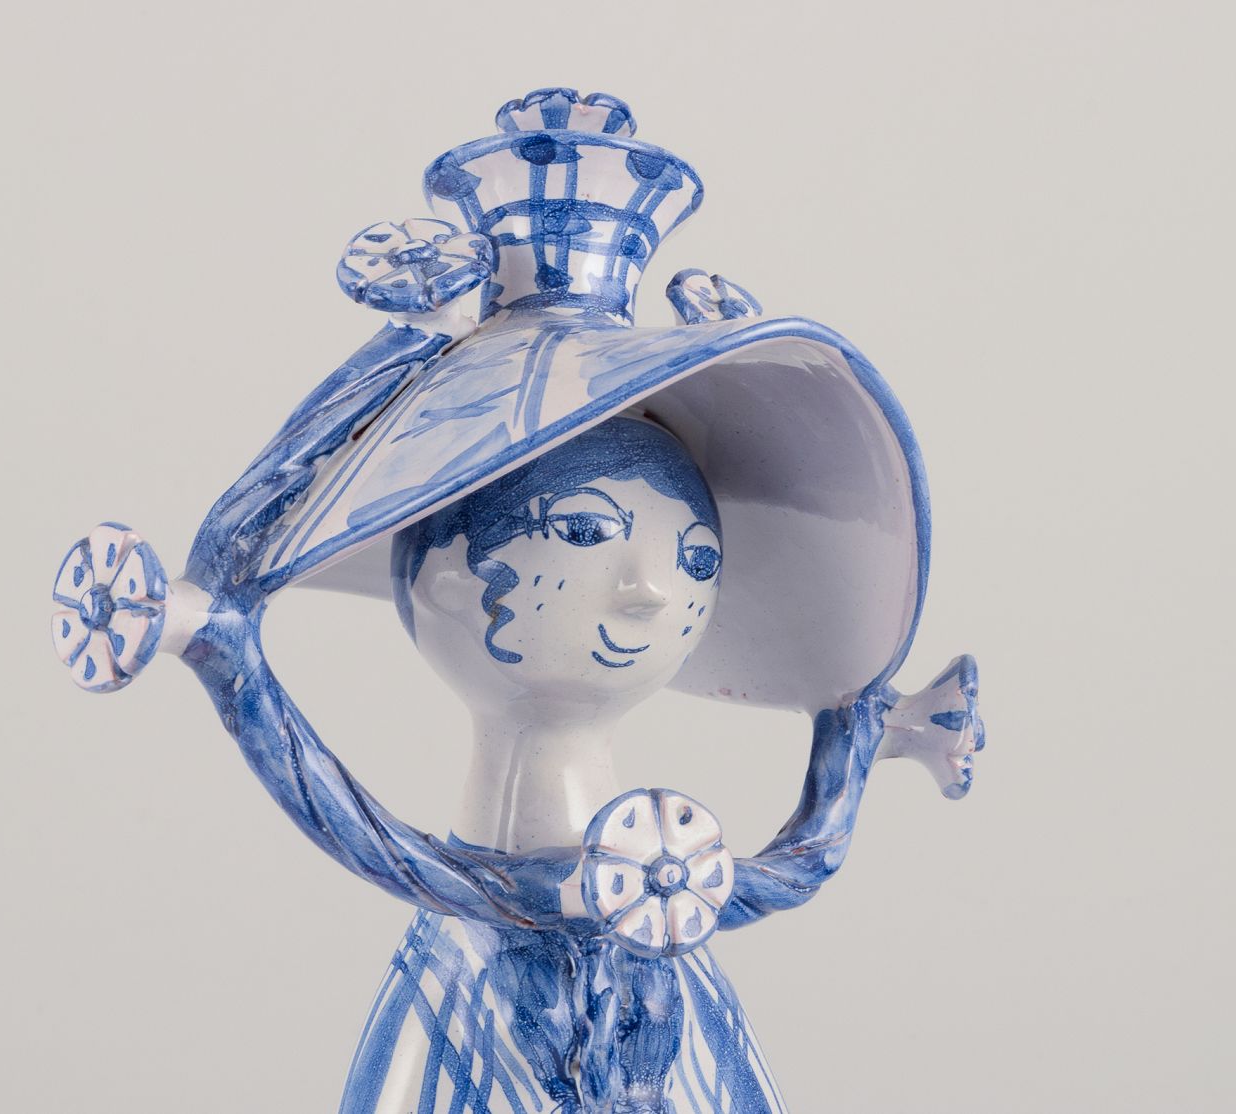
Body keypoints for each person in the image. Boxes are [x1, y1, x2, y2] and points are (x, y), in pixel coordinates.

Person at [51, 87, 984, 1114]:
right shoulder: (546, 900)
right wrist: (231, 660)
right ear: (440, 579)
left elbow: (798, 864)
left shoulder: (648, 887)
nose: (651, 589)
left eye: (697, 559)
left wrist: (851, 738)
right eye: (582, 534)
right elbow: (362, 831)